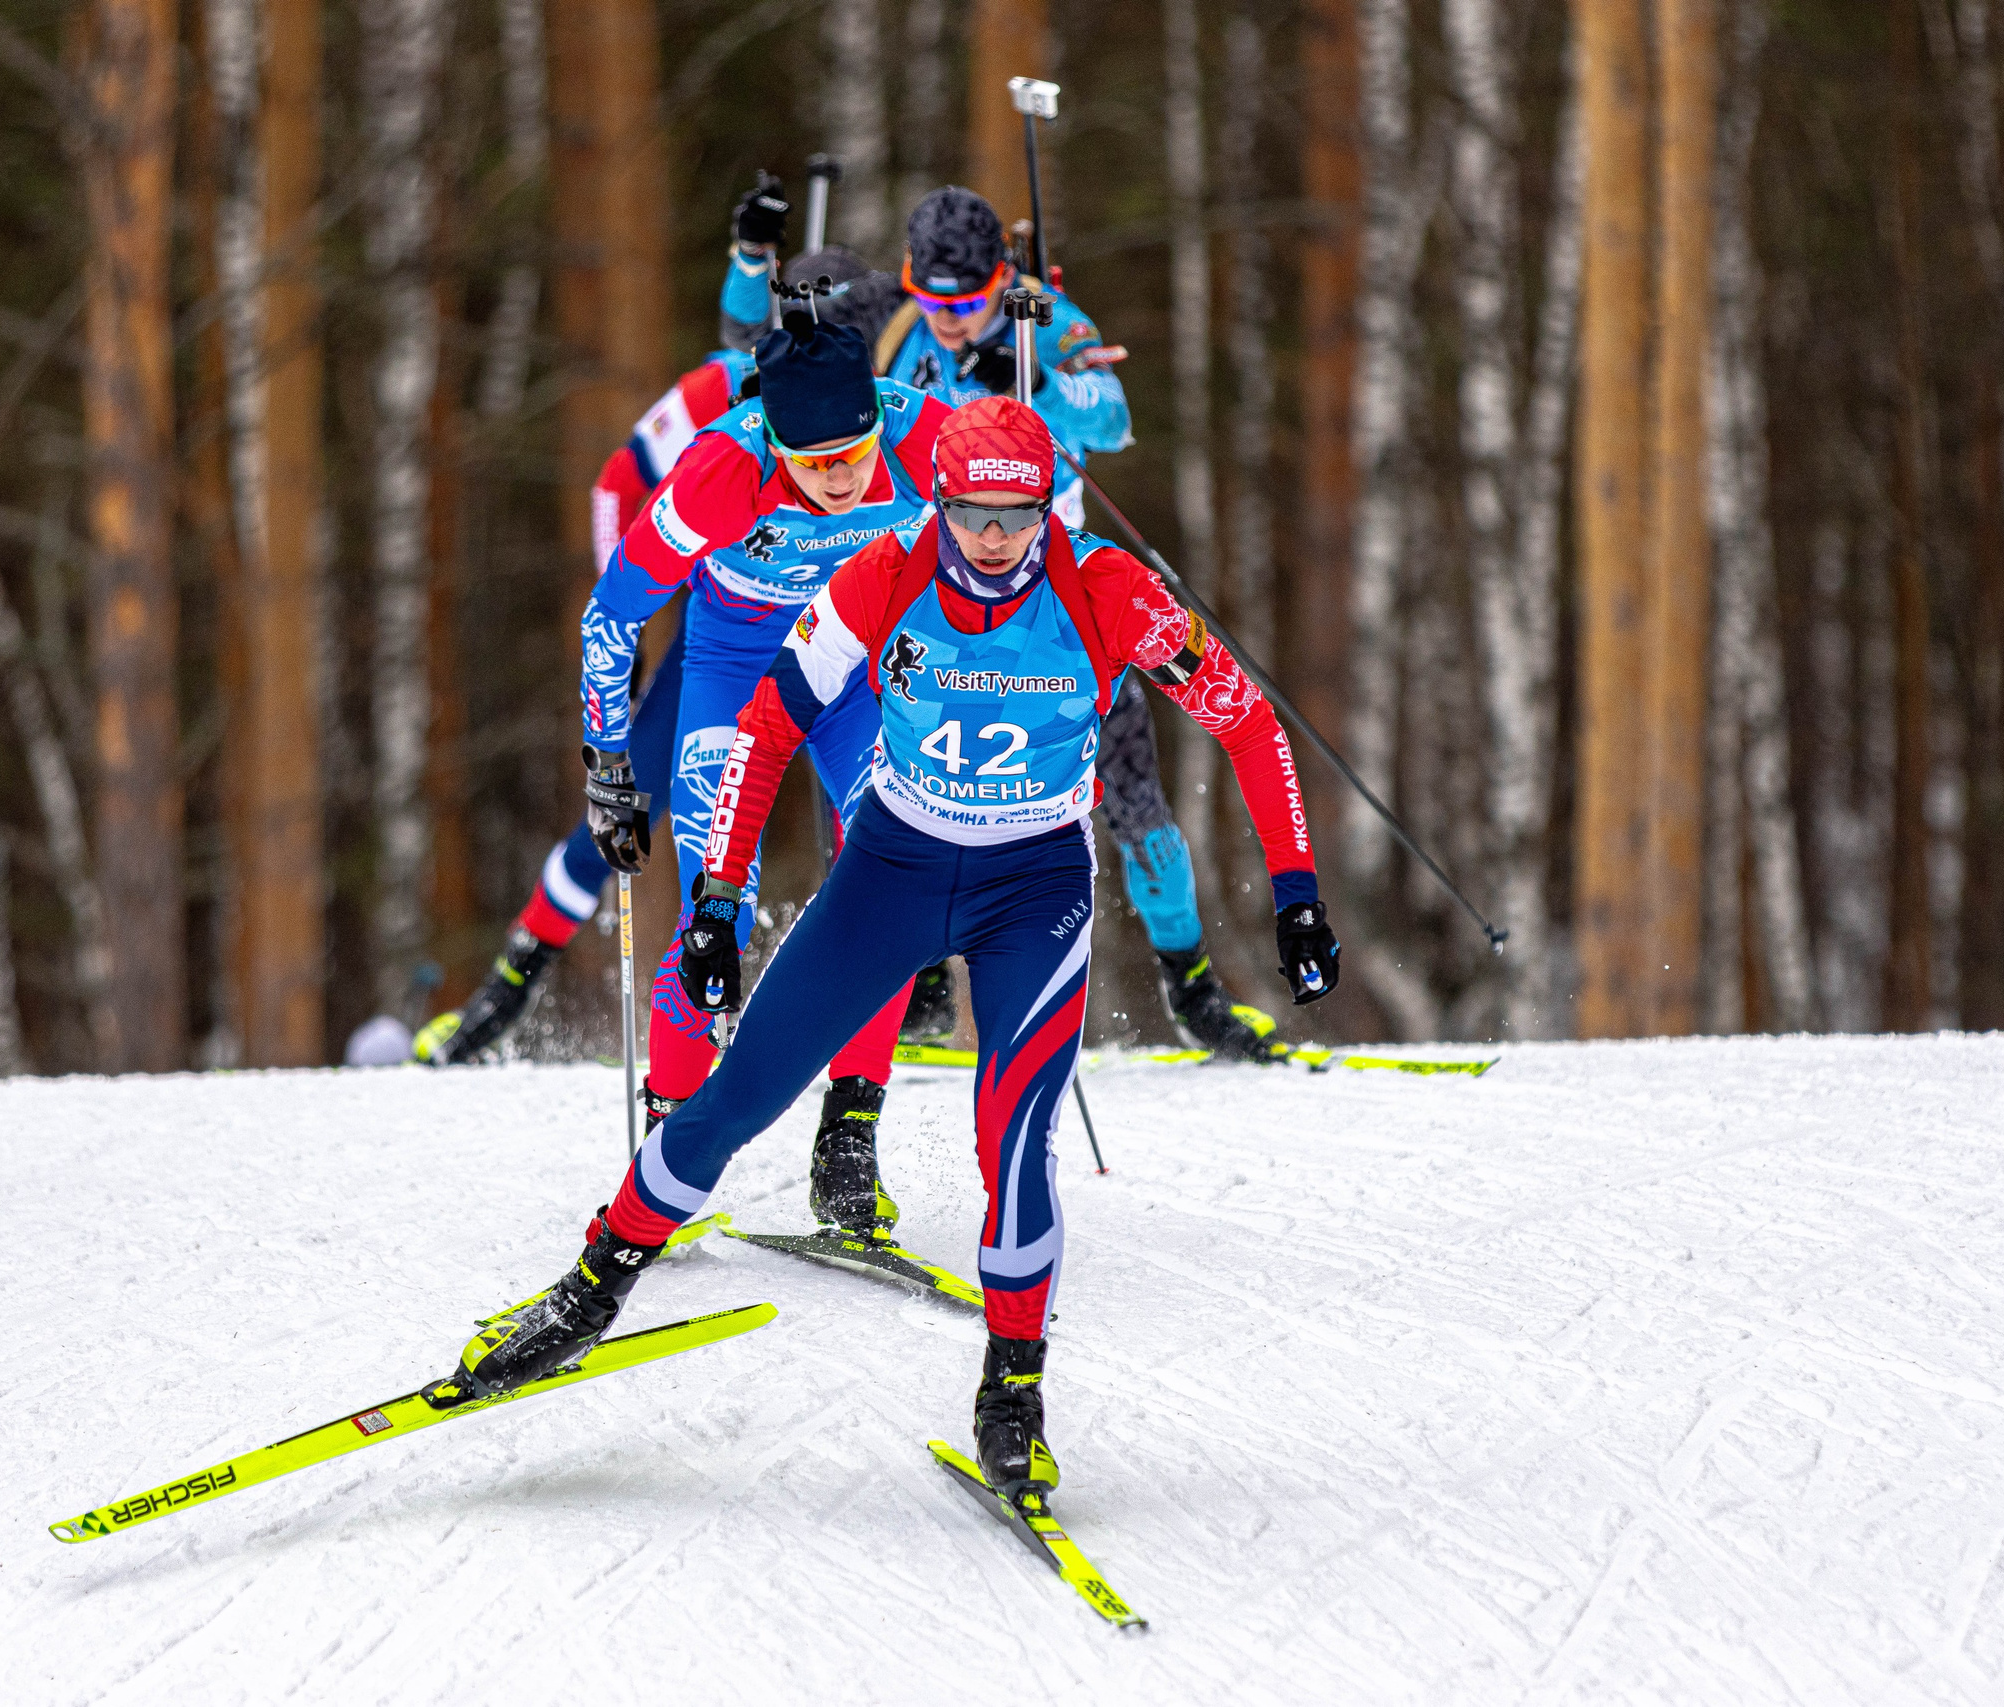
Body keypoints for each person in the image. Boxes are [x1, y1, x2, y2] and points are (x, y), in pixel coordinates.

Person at [423, 397, 1342, 1504]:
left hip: (1034, 891)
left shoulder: (1107, 589)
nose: (993, 540)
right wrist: (715, 901)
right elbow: (767, 723)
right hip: (890, 874)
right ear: (937, 499)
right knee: (735, 1097)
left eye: (1016, 515)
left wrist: (1295, 893)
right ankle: (586, 1292)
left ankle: (1013, 1394)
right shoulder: (885, 570)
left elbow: (1248, 719)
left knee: (1014, 1145)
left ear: (1045, 503)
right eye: (969, 513)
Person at [723, 181, 1280, 1062]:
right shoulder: (894, 319)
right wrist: (756, 263)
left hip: (1061, 614)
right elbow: (763, 344)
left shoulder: (1040, 316)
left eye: (967, 301)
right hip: (934, 607)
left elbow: (1116, 415)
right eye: (930, 294)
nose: (947, 318)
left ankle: (1194, 986)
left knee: (1132, 797)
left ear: (999, 279)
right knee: (886, 784)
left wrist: (1043, 386)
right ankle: (925, 987)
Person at [416, 248, 874, 1067]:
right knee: (638, 810)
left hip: (841, 653)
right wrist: (620, 616)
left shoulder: (891, 408)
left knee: (885, 826)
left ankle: (881, 1036)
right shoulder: (717, 393)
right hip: (725, 646)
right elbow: (615, 483)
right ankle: (508, 987)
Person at [577, 309, 952, 1237]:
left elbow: (1017, 533)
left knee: (887, 889)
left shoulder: (930, 436)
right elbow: (611, 617)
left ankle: (848, 1141)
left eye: (854, 454)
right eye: (811, 462)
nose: (838, 479)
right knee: (719, 907)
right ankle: (667, 1150)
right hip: (735, 671)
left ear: (880, 418)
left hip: (858, 667)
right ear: (771, 440)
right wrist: (608, 763)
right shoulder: (718, 472)